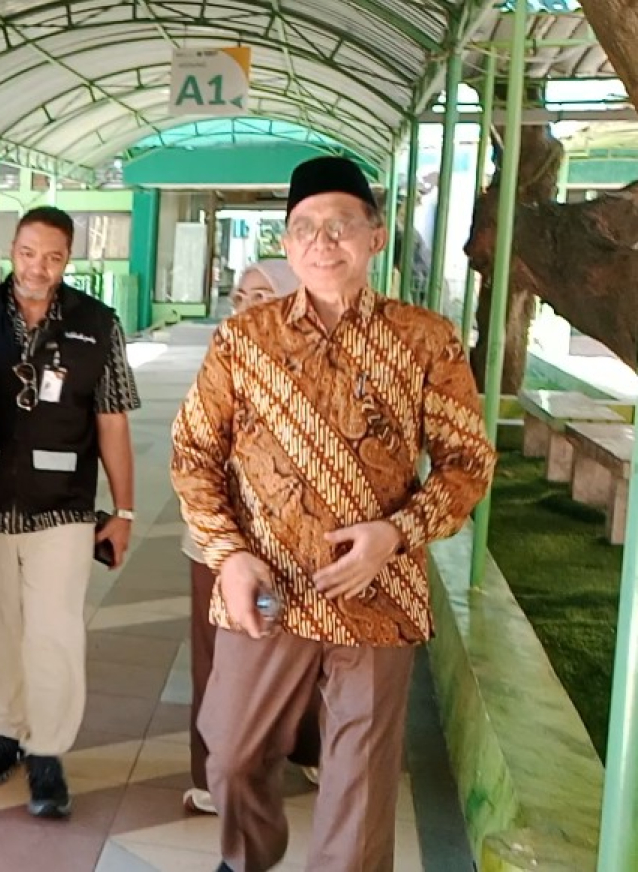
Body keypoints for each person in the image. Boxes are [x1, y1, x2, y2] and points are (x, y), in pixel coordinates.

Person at [171, 155, 495, 872]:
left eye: (340, 225)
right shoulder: (244, 340)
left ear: (374, 238)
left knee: (360, 787)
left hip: (378, 590)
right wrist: (229, 556)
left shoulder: (426, 338)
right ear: (287, 245)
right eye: (305, 228)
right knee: (231, 752)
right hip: (267, 588)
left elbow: (467, 463)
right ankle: (247, 857)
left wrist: (396, 534)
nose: (323, 242)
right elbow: (193, 453)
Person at [0, 206, 140, 820]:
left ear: (68, 259)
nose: (39, 267)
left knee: (54, 631)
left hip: (63, 508)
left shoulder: (97, 323)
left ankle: (48, 750)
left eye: (53, 257)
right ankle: (6, 728)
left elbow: (112, 421)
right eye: (29, 253)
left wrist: (125, 510)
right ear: (12, 250)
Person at [179, 259, 321, 817]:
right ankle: (212, 775)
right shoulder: (223, 360)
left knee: (299, 651)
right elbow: (194, 453)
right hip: (219, 545)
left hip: (298, 545)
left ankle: (305, 745)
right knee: (216, 658)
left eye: (262, 296)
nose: (246, 308)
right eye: (240, 297)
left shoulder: (320, 362)